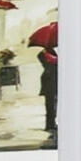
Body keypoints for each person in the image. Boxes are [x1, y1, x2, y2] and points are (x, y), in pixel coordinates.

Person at [29, 10, 60, 142]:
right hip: (50, 80)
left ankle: (51, 122)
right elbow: (51, 65)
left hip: (52, 79)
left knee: (53, 102)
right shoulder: (45, 54)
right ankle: (50, 123)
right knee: (50, 102)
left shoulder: (49, 53)